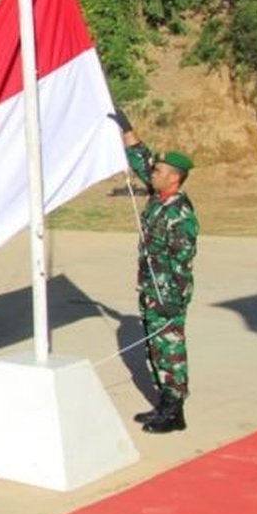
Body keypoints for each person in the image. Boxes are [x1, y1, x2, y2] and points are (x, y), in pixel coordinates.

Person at [111, 108, 198, 434]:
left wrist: (171, 300)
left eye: (159, 171)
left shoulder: (179, 215)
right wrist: (126, 127)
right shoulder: (160, 197)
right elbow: (141, 160)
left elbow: (183, 262)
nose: (153, 173)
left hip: (167, 294)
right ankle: (164, 403)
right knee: (155, 347)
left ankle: (175, 411)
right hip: (151, 289)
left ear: (174, 177)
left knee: (170, 349)